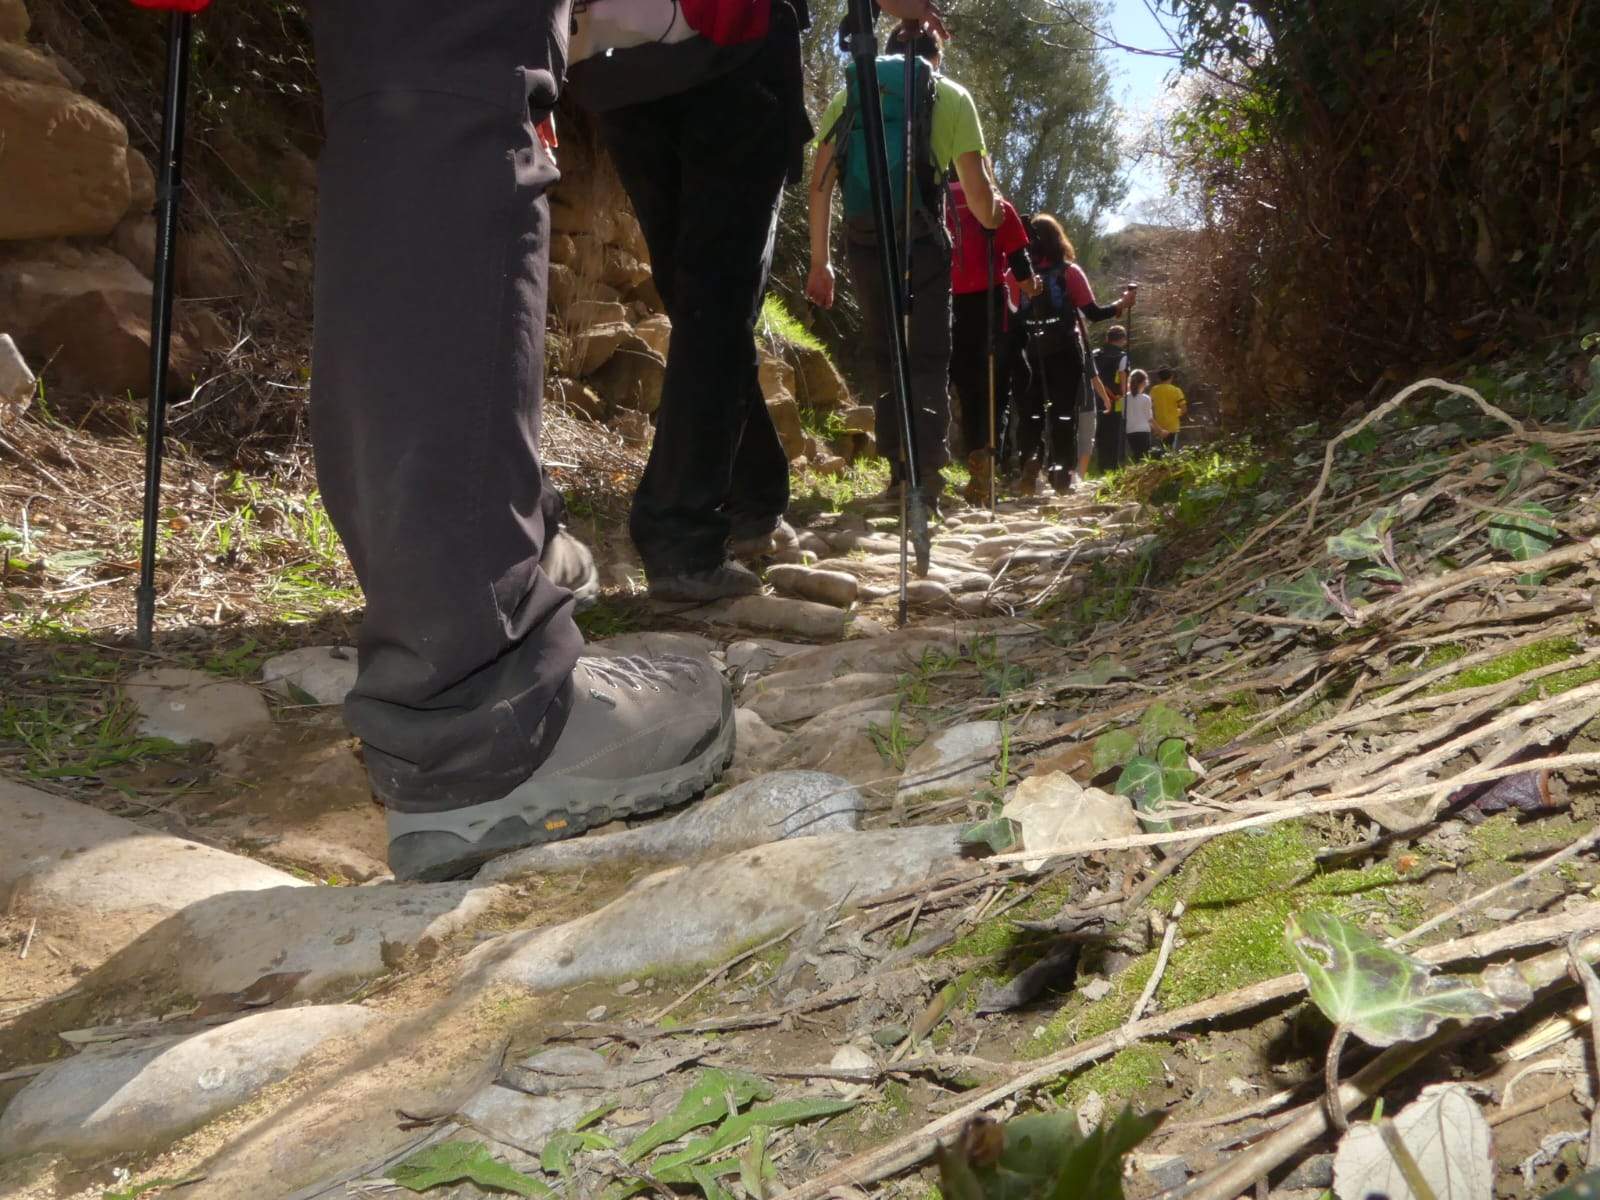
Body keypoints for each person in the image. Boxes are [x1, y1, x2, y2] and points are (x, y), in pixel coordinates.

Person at [137, 0, 946, 883]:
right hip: (714, 49)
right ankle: (484, 705)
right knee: (452, 58)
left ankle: (503, 577)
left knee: (408, 72)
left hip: (628, 75)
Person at [567, 0, 813, 600]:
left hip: (618, 60)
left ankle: (753, 497)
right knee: (715, 300)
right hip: (731, 46)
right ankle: (678, 533)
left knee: (702, 302)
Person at [805, 23, 1003, 514]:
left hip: (865, 241)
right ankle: (926, 474)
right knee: (929, 356)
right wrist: (997, 206)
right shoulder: (951, 96)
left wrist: (820, 261)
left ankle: (896, 469)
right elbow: (981, 207)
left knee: (885, 352)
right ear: (935, 59)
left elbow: (820, 183)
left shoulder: (851, 93)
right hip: (922, 242)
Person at [1014, 216, 1132, 494]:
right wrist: (1121, 305)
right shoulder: (1070, 272)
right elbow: (1092, 313)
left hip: (1029, 350)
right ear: (1058, 239)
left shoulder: (1015, 274)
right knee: (1063, 413)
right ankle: (1061, 475)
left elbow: (1011, 314)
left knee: (1030, 412)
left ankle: (1030, 461)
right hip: (1065, 350)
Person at [946, 180, 1034, 505]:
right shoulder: (997, 204)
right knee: (996, 388)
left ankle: (974, 461)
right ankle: (989, 454)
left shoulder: (938, 205)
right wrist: (1032, 286)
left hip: (950, 305)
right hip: (991, 305)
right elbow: (1021, 267)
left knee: (968, 391)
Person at [1092, 324, 1130, 474]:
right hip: (1114, 399)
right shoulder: (1123, 356)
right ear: (1123, 339)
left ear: (1107, 338)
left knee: (1099, 432)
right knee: (1113, 433)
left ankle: (1101, 465)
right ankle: (1111, 467)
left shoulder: (1095, 353)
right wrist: (1123, 394)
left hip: (1095, 396)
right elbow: (1123, 380)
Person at [1150, 366, 1188, 452]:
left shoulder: (1154, 390)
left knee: (1161, 451)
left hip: (1159, 426)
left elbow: (1149, 407)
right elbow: (1184, 409)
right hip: (1173, 426)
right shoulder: (1176, 390)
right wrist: (1177, 412)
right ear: (1171, 377)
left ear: (1159, 378)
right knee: (1170, 452)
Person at [1124, 368, 1153, 461]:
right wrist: (1159, 430)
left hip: (1130, 430)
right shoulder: (1146, 398)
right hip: (1144, 430)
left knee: (1136, 455)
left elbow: (1123, 416)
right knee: (1144, 457)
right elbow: (1149, 418)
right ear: (1144, 382)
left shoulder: (1123, 399)